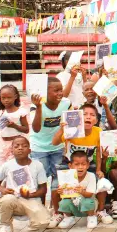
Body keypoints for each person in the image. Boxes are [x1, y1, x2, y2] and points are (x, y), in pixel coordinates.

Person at [0, 136, 50, 232]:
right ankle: (6, 227)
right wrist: (2, 190)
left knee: (43, 222)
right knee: (7, 199)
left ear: (30, 150)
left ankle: (34, 219)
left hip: (31, 200)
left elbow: (43, 189)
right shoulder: (7, 165)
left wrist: (30, 195)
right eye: (16, 146)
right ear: (12, 150)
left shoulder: (37, 165)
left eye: (24, 146)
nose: (20, 148)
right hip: (14, 200)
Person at [30, 78, 72, 213]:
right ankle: (41, 210)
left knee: (58, 180)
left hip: (57, 148)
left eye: (61, 89)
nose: (60, 93)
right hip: (39, 148)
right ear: (45, 92)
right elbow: (36, 128)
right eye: (56, 90)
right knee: (40, 181)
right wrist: (38, 108)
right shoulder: (37, 105)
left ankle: (57, 211)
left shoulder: (66, 104)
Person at [56, 151, 99, 229]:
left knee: (88, 201)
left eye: (83, 164)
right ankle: (68, 217)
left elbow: (90, 194)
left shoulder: (91, 176)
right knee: (63, 202)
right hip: (74, 204)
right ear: (70, 165)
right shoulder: (66, 177)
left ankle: (91, 217)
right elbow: (66, 196)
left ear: (88, 165)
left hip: (88, 205)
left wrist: (82, 191)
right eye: (76, 164)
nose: (80, 167)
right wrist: (61, 192)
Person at [0, 84, 29, 165]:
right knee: (3, 167)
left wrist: (14, 126)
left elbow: (26, 130)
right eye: (3, 98)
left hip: (17, 144)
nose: (6, 100)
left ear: (15, 96)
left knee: (15, 166)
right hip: (4, 145)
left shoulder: (20, 112)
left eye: (9, 97)